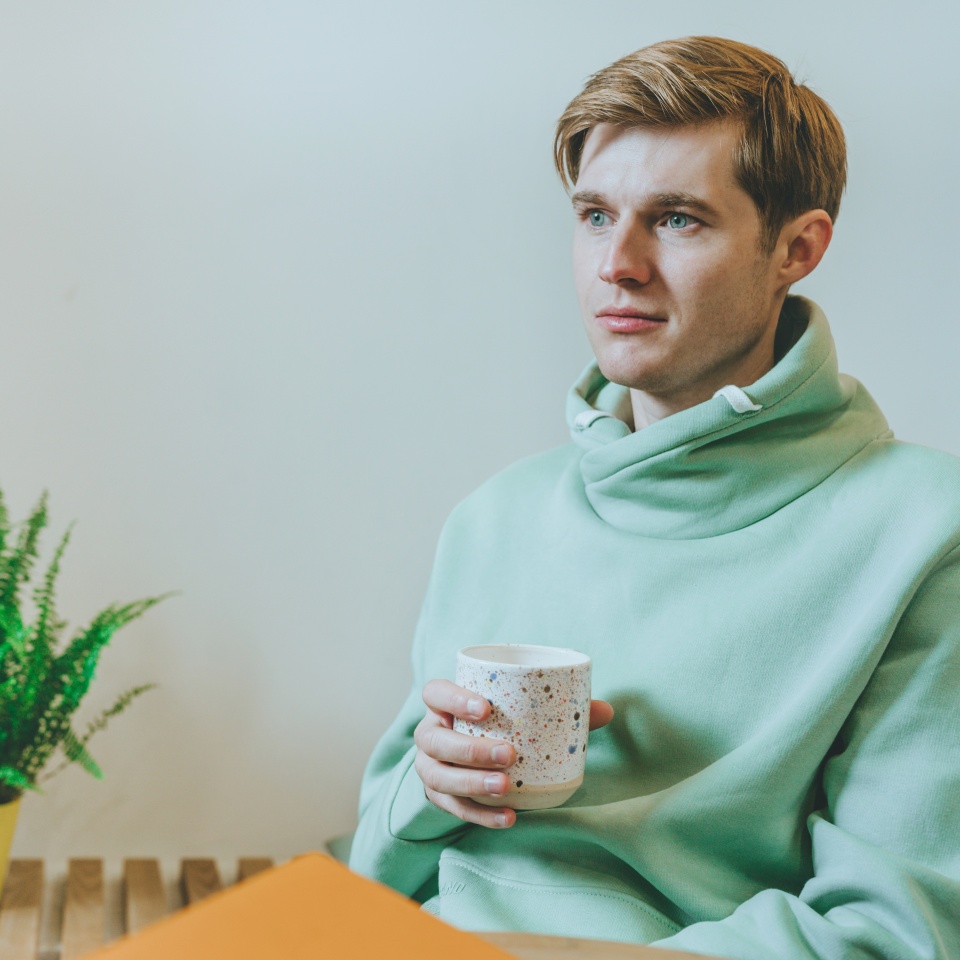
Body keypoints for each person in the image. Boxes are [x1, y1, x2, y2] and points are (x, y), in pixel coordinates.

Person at [348, 36, 960, 959]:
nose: (618, 264)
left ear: (797, 247)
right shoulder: (496, 517)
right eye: (595, 215)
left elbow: (897, 934)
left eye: (676, 220)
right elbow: (370, 878)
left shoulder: (922, 532)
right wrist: (427, 792)